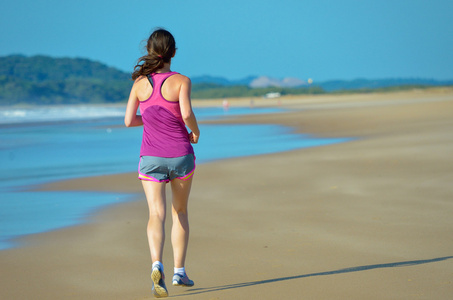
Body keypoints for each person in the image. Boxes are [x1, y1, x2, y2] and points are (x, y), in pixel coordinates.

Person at [124, 28, 200, 298]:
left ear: (149, 51)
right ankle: (180, 271)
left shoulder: (139, 84)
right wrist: (195, 131)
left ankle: (157, 264)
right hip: (180, 155)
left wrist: (152, 118)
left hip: (150, 158)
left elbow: (129, 120)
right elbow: (187, 113)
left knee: (156, 214)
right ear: (174, 53)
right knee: (180, 212)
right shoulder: (181, 81)